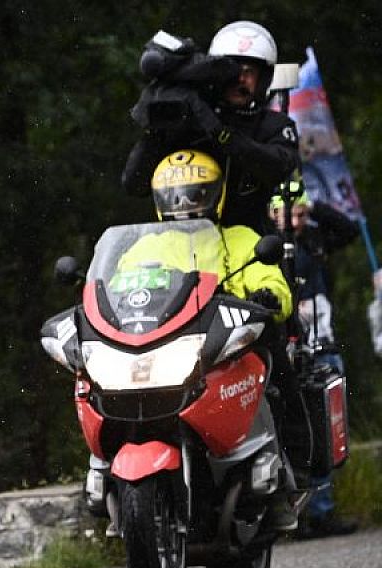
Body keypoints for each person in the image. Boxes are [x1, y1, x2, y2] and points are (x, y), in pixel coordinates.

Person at [144, 149, 309, 529]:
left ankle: (289, 474)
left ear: (215, 194)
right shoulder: (145, 247)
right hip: (167, 345)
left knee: (276, 378)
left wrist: (269, 296)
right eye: (174, 197)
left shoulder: (239, 238)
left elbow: (272, 281)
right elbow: (119, 286)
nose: (184, 205)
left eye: (195, 194)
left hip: (229, 343)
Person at [122, 20, 299, 232]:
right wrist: (156, 131)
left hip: (249, 242)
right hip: (184, 240)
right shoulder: (189, 118)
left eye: (248, 72)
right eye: (232, 73)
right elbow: (135, 184)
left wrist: (222, 135)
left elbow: (279, 167)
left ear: (263, 79)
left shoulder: (274, 125)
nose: (240, 79)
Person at [268, 179, 359, 539]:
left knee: (325, 428)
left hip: (322, 346)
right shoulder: (267, 245)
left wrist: (313, 204)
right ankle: (291, 514)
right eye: (288, 214)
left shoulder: (313, 240)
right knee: (290, 430)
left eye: (301, 214)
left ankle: (322, 511)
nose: (296, 222)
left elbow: (349, 230)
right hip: (287, 350)